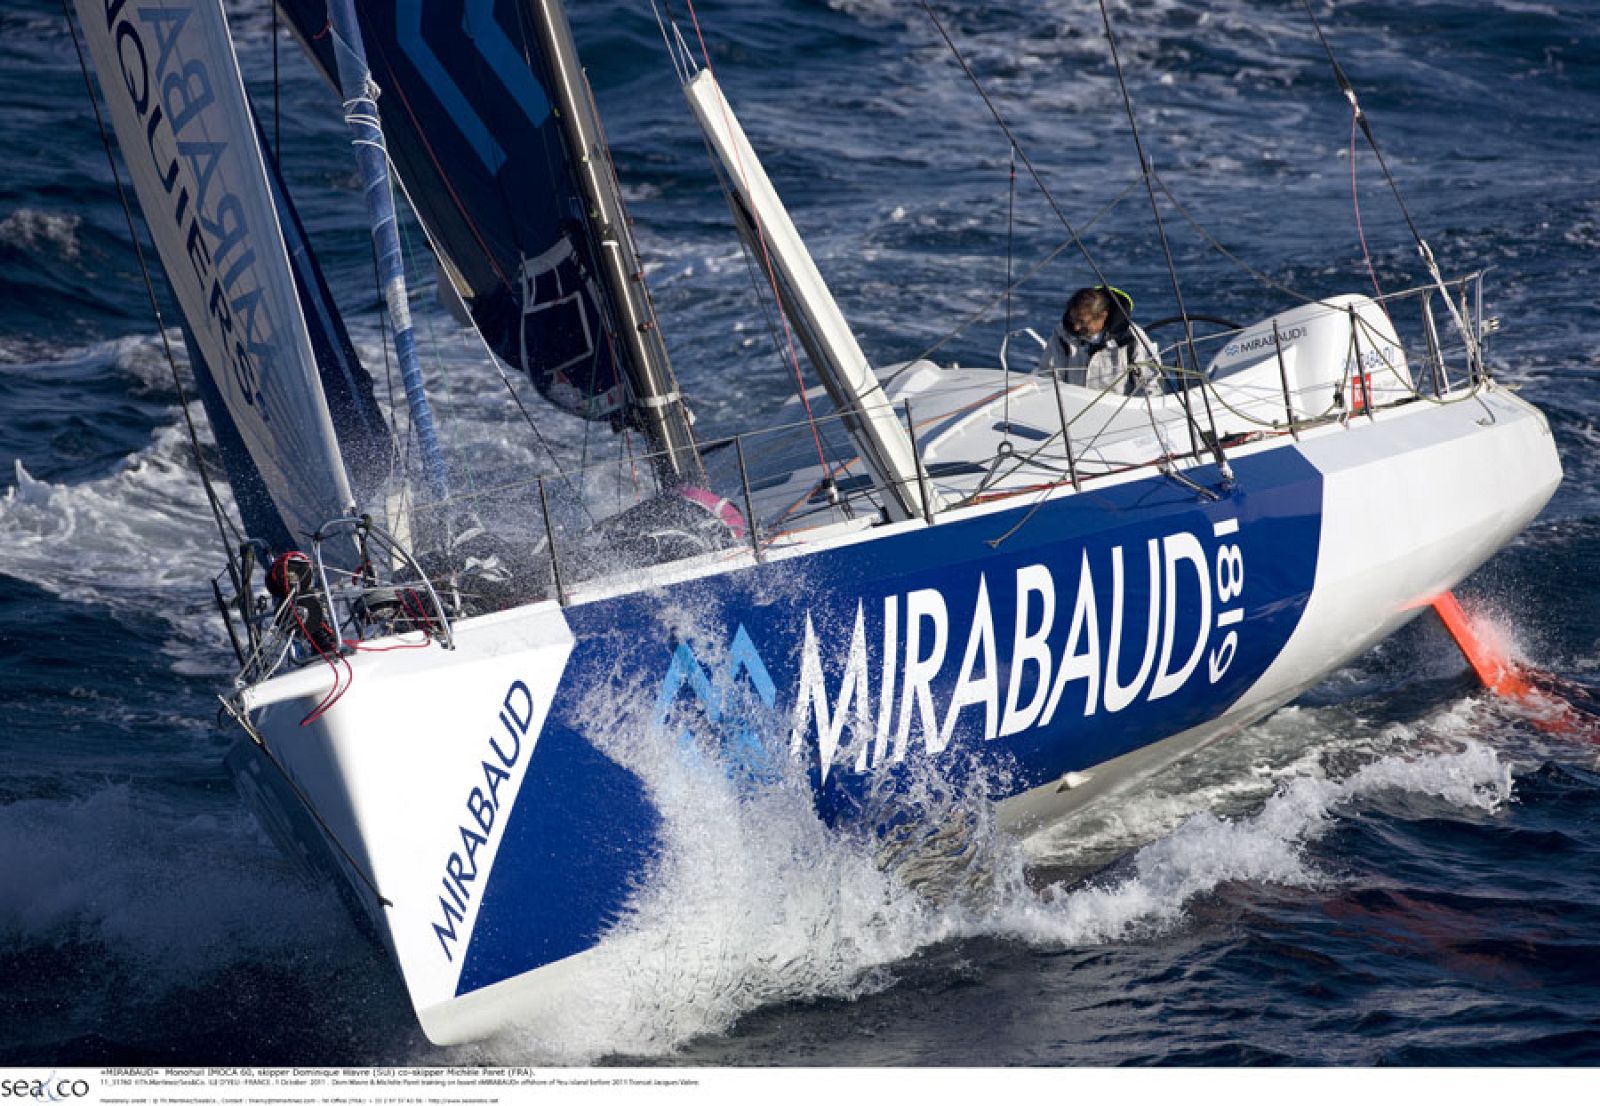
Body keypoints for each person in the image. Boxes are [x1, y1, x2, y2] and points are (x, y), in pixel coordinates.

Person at [1039, 286, 1160, 395]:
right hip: (1071, 405)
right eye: (1073, 319)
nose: (1075, 327)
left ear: (1103, 316)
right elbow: (1048, 374)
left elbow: (1150, 383)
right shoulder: (1062, 334)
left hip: (1115, 409)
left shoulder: (1131, 339)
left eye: (1082, 322)